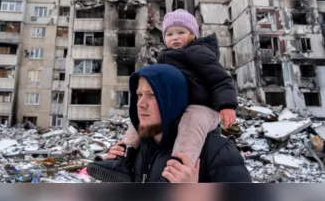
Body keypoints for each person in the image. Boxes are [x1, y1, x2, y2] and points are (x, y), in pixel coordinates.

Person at [87, 64, 252, 182]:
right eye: (139, 95)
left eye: (152, 95)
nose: (141, 104)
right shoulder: (140, 150)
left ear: (172, 101)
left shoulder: (218, 152)